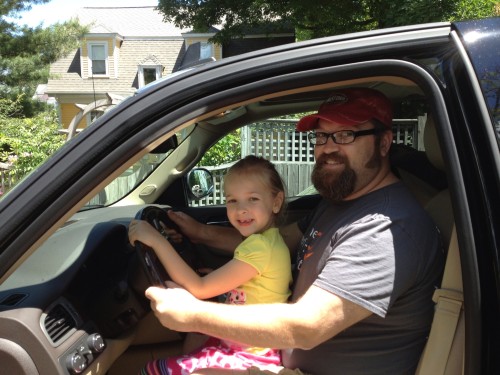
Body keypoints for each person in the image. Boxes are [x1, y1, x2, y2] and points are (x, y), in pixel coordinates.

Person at [144, 88, 445, 375]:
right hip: (281, 357)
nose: (328, 147)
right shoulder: (339, 203)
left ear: (384, 142)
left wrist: (192, 313)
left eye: (345, 134)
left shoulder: (386, 227)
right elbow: (277, 241)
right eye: (322, 135)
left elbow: (308, 327)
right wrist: (199, 232)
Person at [128, 155, 293, 374]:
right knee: (195, 338)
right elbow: (255, 285)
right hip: (250, 345)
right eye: (232, 200)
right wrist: (219, 275)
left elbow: (200, 288)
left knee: (153, 370)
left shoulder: (259, 248)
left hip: (251, 356)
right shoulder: (267, 241)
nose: (240, 209)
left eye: (252, 199)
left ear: (276, 202)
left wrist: (156, 241)